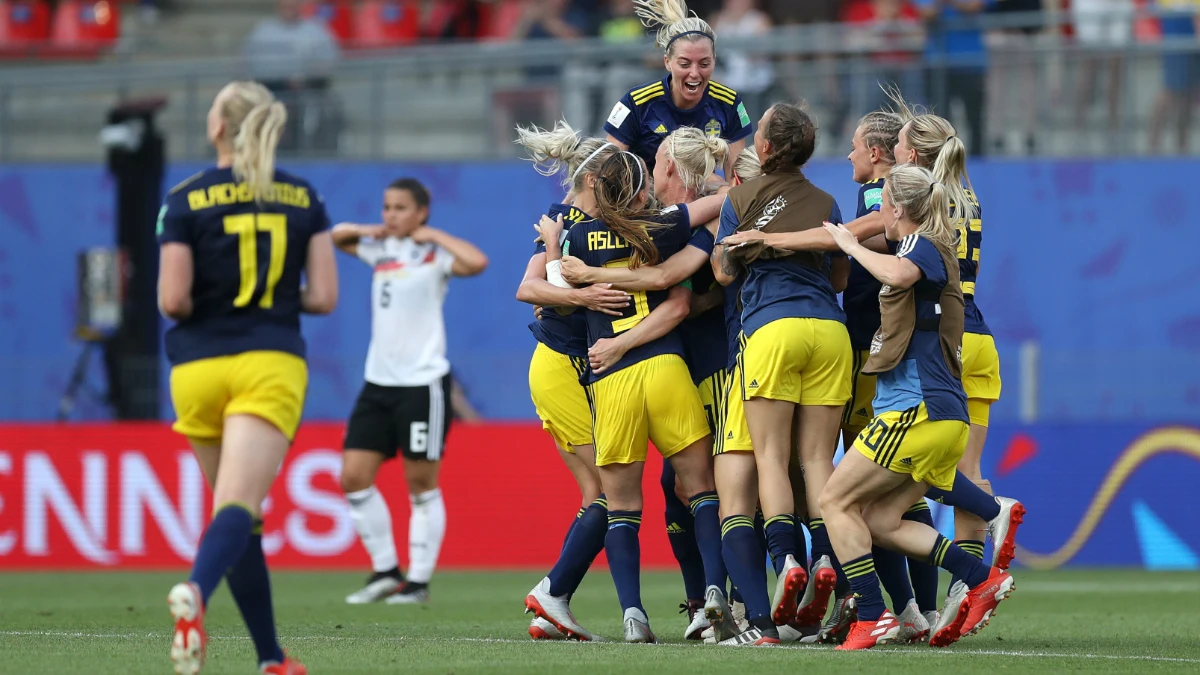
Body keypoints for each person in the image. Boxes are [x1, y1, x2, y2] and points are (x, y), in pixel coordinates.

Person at [158, 80, 337, 675]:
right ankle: (195, 594)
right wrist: (276, 293)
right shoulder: (301, 196)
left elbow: (172, 300)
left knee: (238, 514)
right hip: (268, 361)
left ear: (217, 128)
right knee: (240, 504)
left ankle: (270, 658)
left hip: (196, 368)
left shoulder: (184, 199)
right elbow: (325, 298)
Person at [530, 150, 729, 644]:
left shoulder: (574, 235)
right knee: (702, 491)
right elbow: (721, 204)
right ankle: (713, 596)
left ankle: (633, 617)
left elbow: (556, 284)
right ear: (640, 189)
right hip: (665, 367)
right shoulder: (661, 227)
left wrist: (555, 245)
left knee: (620, 506)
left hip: (610, 377)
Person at [818, 163, 1016, 650]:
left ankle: (870, 613)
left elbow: (900, 272)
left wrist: (848, 245)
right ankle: (980, 576)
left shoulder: (921, 245)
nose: (878, 212)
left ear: (901, 209)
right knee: (882, 521)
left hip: (915, 410)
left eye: (883, 203)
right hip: (935, 413)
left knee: (832, 501)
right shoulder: (924, 246)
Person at [712, 102, 852, 638]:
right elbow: (839, 276)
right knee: (817, 458)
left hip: (772, 330)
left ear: (765, 148)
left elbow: (724, 274)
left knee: (771, 457)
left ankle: (787, 561)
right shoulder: (826, 201)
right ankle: (825, 561)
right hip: (830, 332)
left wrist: (745, 250)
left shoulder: (740, 198)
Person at [334, 178, 488, 606]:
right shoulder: (379, 248)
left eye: (401, 207)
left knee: (420, 482)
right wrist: (370, 230)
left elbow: (477, 262)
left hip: (422, 384)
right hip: (377, 382)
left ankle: (417, 583)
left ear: (422, 211)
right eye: (387, 207)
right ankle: (385, 570)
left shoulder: (434, 253)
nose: (391, 215)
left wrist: (432, 234)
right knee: (352, 477)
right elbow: (337, 236)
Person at [512, 122, 628, 641]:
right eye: (618, 180)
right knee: (608, 491)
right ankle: (553, 590)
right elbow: (530, 288)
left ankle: (553, 607)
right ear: (596, 179)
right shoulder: (561, 220)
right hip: (559, 363)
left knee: (595, 493)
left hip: (581, 367)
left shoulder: (591, 222)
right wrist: (581, 295)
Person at [604, 0, 755, 173]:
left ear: (714, 60)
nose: (695, 73)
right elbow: (608, 171)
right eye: (684, 64)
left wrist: (709, 189)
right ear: (667, 62)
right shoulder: (637, 102)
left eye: (704, 64)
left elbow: (736, 183)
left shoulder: (729, 103)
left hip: (702, 194)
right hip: (645, 195)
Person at [242, 0, 341, 152]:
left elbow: (328, 63)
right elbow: (249, 63)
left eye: (293, 5)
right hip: (269, 89)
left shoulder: (316, 30)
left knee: (300, 102)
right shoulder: (263, 31)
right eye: (285, 5)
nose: (289, 8)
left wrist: (305, 76)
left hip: (304, 90)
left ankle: (300, 145)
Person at [913, 0, 995, 154]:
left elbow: (975, 6)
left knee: (975, 121)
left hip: (971, 64)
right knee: (939, 122)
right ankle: (941, 164)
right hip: (938, 65)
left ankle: (978, 166)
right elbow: (926, 12)